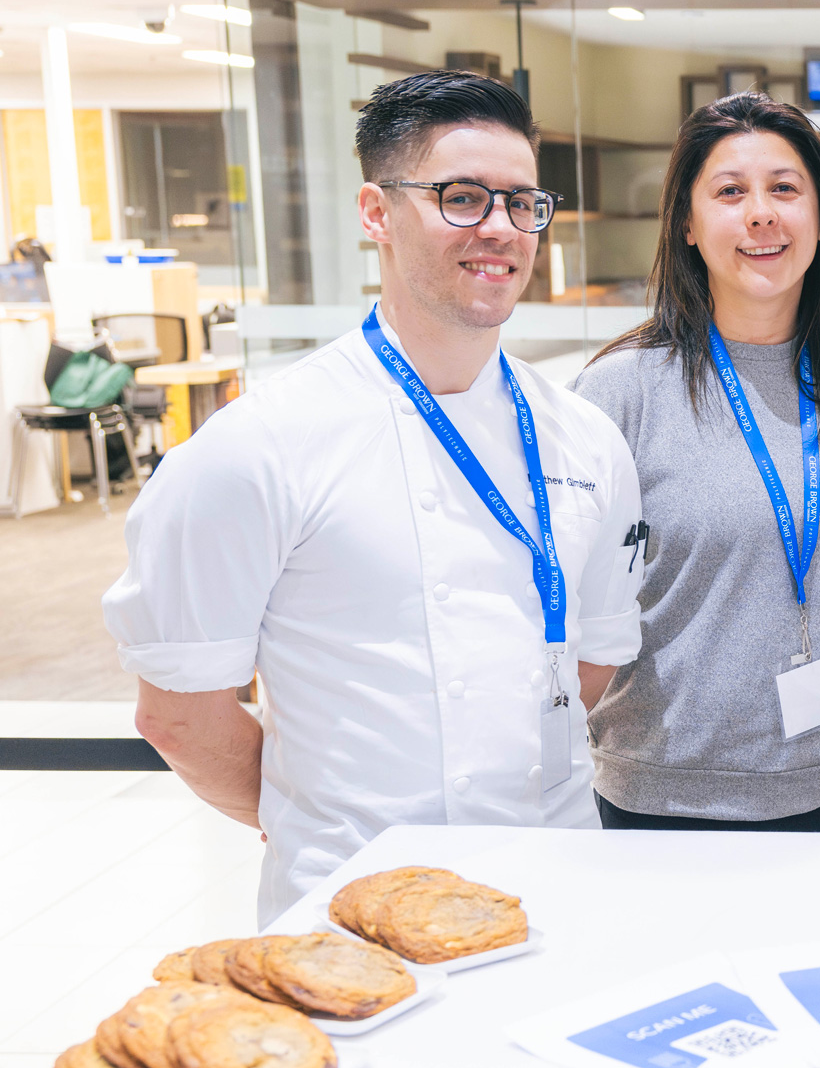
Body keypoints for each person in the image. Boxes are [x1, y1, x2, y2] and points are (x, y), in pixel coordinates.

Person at [103, 70, 644, 923]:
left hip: (557, 881)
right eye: (461, 198)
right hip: (346, 905)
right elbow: (179, 713)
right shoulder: (259, 445)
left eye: (521, 202)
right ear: (374, 213)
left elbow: (592, 659)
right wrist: (318, 821)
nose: (499, 229)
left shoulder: (585, 438)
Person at [575, 92, 820, 833]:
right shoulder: (619, 392)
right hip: (665, 792)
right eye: (730, 192)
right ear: (689, 226)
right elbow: (574, 594)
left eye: (784, 189)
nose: (761, 213)